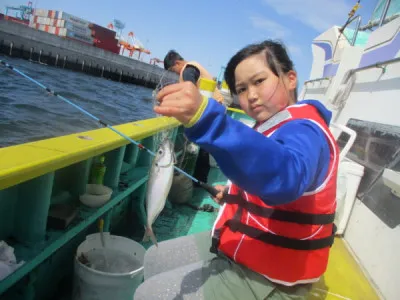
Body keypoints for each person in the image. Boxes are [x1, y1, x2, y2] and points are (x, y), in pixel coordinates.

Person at [134, 40, 339, 299]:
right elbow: (265, 176)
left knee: (148, 294)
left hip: (272, 278)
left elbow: (286, 175)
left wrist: (206, 120)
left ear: (290, 79)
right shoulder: (269, 127)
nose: (251, 95)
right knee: (154, 258)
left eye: (259, 81)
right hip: (241, 243)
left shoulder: (307, 130)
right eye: (242, 89)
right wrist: (233, 194)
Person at [164, 49, 223, 184]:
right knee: (206, 147)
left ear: (177, 63)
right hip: (214, 107)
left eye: (174, 70)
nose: (176, 73)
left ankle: (199, 181)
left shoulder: (187, 70)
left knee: (204, 147)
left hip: (209, 110)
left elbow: (188, 91)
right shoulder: (194, 65)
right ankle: (200, 180)